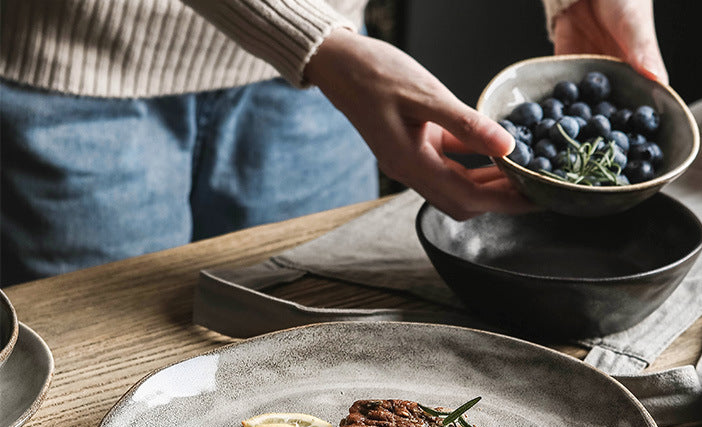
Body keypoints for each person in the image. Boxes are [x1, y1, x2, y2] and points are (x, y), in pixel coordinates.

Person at [0, 0, 666, 286]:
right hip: (75, 72)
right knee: (93, 389)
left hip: (320, 84)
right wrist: (311, 41)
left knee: (323, 349)